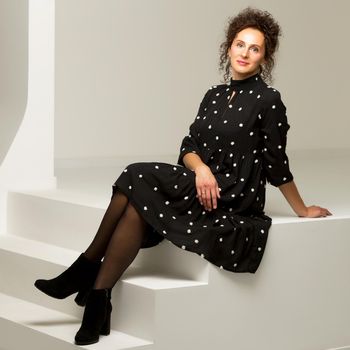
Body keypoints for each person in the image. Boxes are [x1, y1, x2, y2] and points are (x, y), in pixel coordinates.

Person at [34, 6, 332, 346]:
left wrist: (302, 209)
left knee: (134, 175)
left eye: (255, 48)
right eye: (239, 44)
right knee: (134, 206)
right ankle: (98, 299)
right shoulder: (214, 95)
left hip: (232, 195)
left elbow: (276, 164)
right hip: (201, 183)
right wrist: (201, 168)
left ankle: (85, 269)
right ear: (228, 47)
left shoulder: (268, 100)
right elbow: (189, 145)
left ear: (265, 58)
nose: (245, 53)